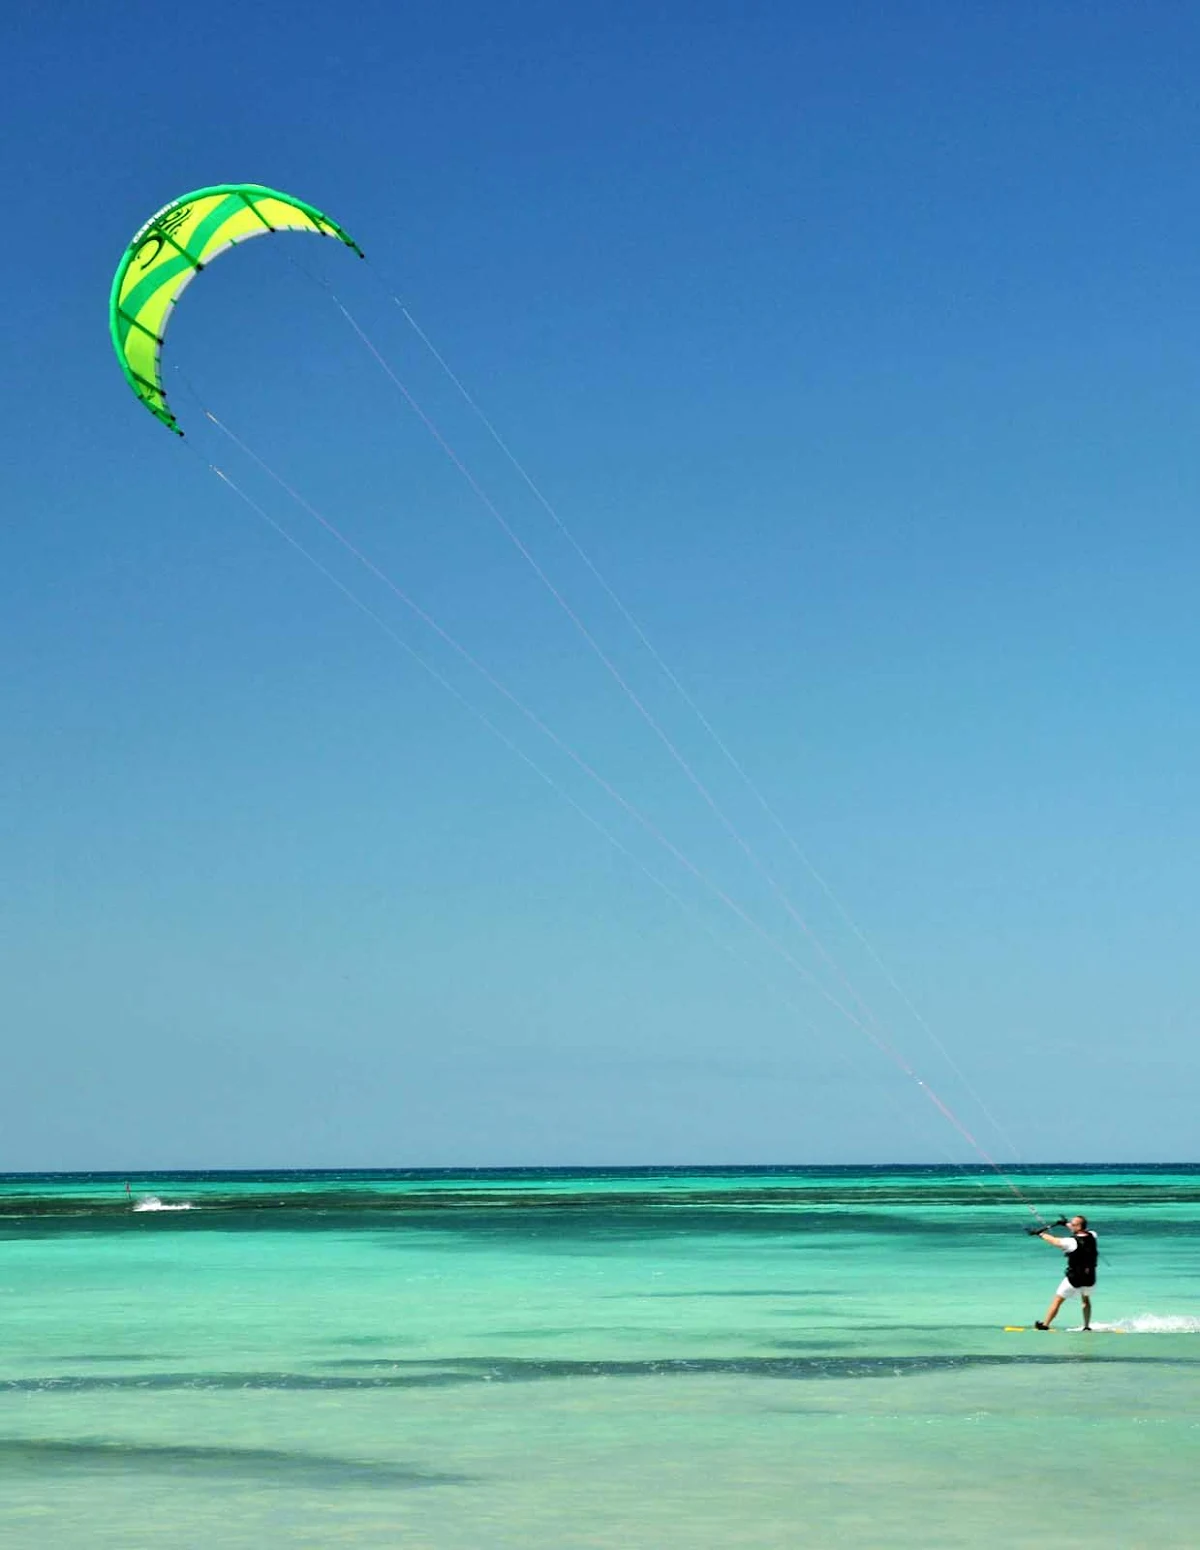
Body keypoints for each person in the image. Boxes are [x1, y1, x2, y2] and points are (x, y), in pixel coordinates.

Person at [1033, 1214, 1097, 1330]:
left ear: (1078, 1227)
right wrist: (1065, 1224)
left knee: (1057, 1300)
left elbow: (1055, 1241)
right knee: (1086, 1300)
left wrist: (1040, 1234)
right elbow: (1079, 1230)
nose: (1070, 1225)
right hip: (1090, 1278)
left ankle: (1045, 1325)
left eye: (1072, 1224)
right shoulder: (1093, 1235)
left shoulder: (1071, 1242)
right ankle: (1087, 1326)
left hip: (1074, 1278)